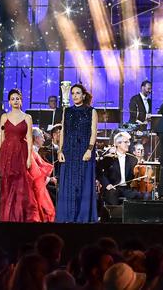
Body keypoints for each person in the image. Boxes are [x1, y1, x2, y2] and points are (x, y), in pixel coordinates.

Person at [0, 88, 48, 222]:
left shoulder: (27, 117)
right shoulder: (4, 117)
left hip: (21, 152)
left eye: (17, 98)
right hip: (6, 153)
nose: (15, 101)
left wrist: (29, 157)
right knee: (5, 182)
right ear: (9, 101)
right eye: (12, 99)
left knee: (20, 183)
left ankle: (19, 217)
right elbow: (1, 137)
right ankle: (3, 216)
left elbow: (30, 138)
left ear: (21, 100)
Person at [56, 83, 98, 222]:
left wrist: (89, 150)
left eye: (78, 93)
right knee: (69, 184)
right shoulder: (67, 111)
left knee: (83, 183)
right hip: (69, 150)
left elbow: (93, 133)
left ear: (84, 95)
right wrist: (60, 150)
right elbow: (63, 132)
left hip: (84, 150)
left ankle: (82, 217)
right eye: (73, 93)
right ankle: (67, 216)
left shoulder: (91, 111)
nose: (75, 96)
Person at [100, 131, 140, 205]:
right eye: (125, 142)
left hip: (127, 189)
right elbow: (102, 174)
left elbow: (134, 176)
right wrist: (107, 185)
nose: (128, 144)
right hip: (113, 187)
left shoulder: (133, 159)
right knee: (111, 194)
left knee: (140, 196)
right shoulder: (108, 158)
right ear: (118, 144)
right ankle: (114, 215)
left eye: (128, 142)